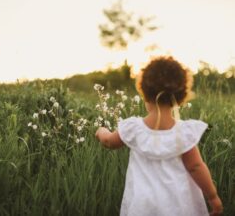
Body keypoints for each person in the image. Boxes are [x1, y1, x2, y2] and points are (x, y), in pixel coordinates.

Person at [95, 56, 223, 216]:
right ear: (180, 97)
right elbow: (196, 166)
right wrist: (213, 197)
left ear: (143, 91)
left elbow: (109, 141)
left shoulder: (134, 128)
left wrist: (101, 131)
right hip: (178, 206)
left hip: (143, 206)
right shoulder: (183, 133)